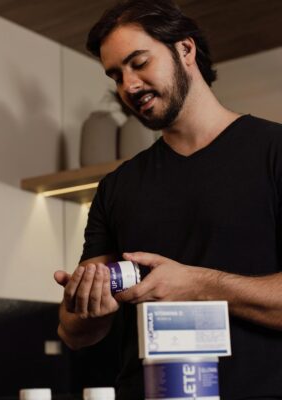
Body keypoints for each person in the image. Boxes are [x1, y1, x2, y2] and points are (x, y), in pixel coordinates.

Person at [54, 0, 282, 398]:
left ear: (185, 50)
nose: (129, 85)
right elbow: (74, 334)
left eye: (139, 62)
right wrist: (85, 303)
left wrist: (198, 284)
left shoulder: (274, 151)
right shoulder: (116, 187)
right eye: (116, 75)